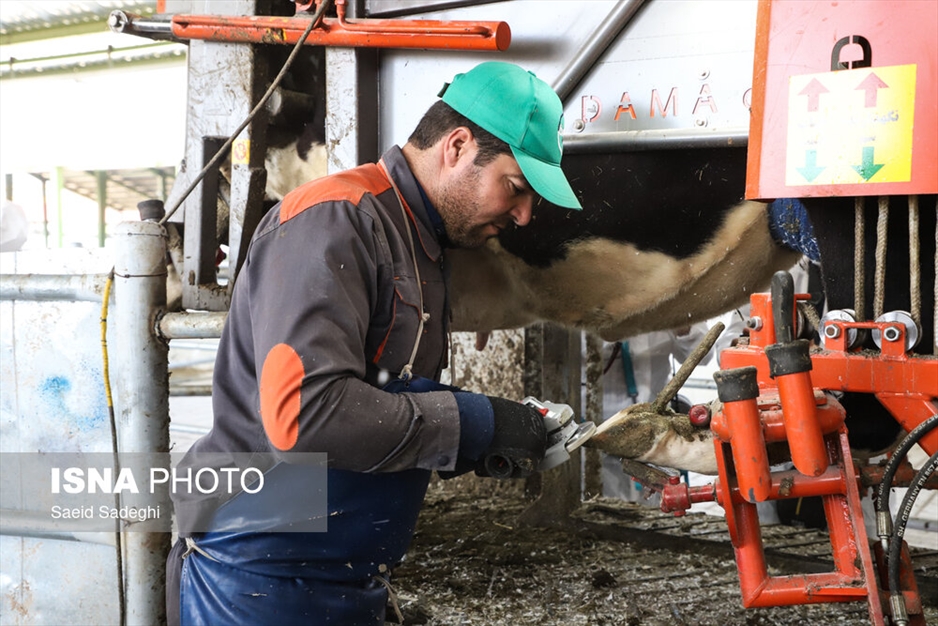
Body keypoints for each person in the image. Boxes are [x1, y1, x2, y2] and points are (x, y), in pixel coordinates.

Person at [165, 61, 582, 625]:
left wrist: (488, 438)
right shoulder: (334, 221)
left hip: (338, 576)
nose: (526, 215)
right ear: (457, 147)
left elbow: (383, 393)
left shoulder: (420, 238)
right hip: (261, 580)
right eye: (515, 187)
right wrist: (474, 421)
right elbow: (304, 415)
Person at [597, 324, 713, 502]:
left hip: (656, 435)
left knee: (653, 508)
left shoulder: (664, 301)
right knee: (601, 503)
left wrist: (679, 321)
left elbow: (703, 355)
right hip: (598, 428)